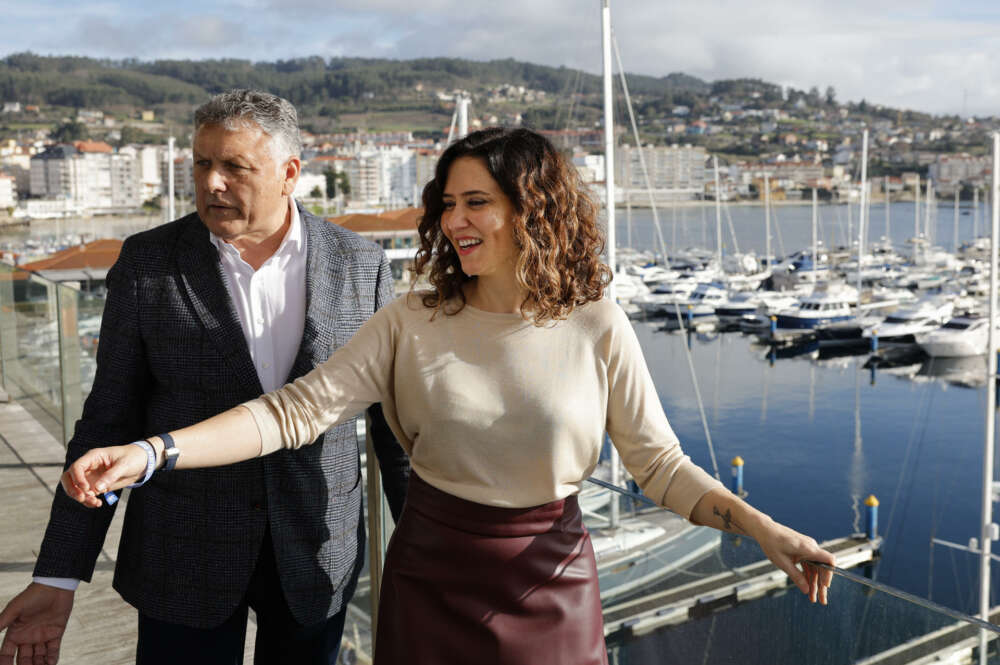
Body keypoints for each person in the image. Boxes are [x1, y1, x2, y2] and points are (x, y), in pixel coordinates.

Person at [59, 127, 834, 665]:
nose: (455, 221)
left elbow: (656, 463)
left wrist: (759, 526)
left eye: (478, 202)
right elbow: (293, 411)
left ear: (532, 210)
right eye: (449, 203)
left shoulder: (597, 323)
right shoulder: (411, 321)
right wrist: (156, 451)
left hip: (551, 578)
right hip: (430, 575)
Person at [0, 90, 409, 665]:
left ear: (289, 173)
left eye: (234, 167)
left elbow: (394, 430)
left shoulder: (361, 265)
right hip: (182, 551)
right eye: (201, 163)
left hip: (318, 547)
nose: (211, 182)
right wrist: (60, 575)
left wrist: (425, 558)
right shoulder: (147, 264)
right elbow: (107, 420)